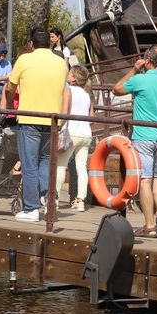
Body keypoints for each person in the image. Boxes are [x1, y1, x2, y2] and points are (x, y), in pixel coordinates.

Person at [112, 45, 157, 238]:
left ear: (148, 61)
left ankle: (150, 226)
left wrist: (134, 69)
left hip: (143, 136)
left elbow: (116, 89)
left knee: (145, 179)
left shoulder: (140, 79)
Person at [4, 26, 70, 223]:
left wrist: (9, 105)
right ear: (49, 43)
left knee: (30, 164)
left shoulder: (24, 59)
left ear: (31, 44)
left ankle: (31, 208)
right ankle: (49, 199)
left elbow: (10, 87)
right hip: (52, 120)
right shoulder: (60, 62)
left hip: (29, 118)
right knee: (46, 162)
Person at [57, 66, 94, 211]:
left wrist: (59, 127)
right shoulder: (87, 93)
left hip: (72, 132)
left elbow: (65, 113)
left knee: (61, 165)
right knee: (81, 167)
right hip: (86, 133)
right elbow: (92, 116)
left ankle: (55, 198)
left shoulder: (68, 90)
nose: (67, 74)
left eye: (70, 72)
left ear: (73, 78)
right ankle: (80, 200)